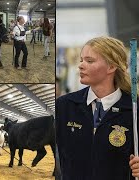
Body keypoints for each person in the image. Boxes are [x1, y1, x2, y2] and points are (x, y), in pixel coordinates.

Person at [56, 36, 139, 179]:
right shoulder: (64, 105)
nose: (81, 65)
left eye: (89, 61)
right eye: (81, 60)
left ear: (111, 67)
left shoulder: (134, 110)